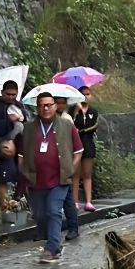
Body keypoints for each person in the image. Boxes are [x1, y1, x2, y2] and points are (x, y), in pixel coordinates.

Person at [19, 92, 83, 264]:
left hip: (59, 179)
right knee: (40, 215)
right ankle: (54, 242)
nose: (45, 108)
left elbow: (78, 151)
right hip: (36, 180)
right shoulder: (29, 128)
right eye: (41, 105)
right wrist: (24, 171)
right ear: (37, 107)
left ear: (55, 106)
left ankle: (51, 248)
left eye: (49, 105)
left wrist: (71, 169)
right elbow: (20, 154)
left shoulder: (67, 125)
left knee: (54, 211)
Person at [0, 80, 26, 210]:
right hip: (2, 146)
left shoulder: (19, 105)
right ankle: (4, 208)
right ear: (2, 92)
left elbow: (26, 121)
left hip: (19, 146)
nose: (11, 97)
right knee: (3, 178)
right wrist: (8, 121)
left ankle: (18, 204)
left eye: (14, 95)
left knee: (21, 175)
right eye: (8, 94)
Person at [54, 95, 81, 240]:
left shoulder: (67, 119)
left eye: (62, 103)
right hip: (50, 163)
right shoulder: (46, 119)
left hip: (64, 161)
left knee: (67, 197)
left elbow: (73, 143)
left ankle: (73, 227)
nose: (60, 106)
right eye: (57, 103)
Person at [71, 85, 99, 212]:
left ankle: (88, 202)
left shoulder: (93, 111)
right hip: (75, 145)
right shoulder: (72, 110)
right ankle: (74, 201)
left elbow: (93, 126)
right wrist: (76, 113)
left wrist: (81, 130)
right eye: (83, 94)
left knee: (87, 174)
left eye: (88, 94)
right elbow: (69, 124)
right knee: (75, 174)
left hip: (88, 143)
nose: (86, 97)